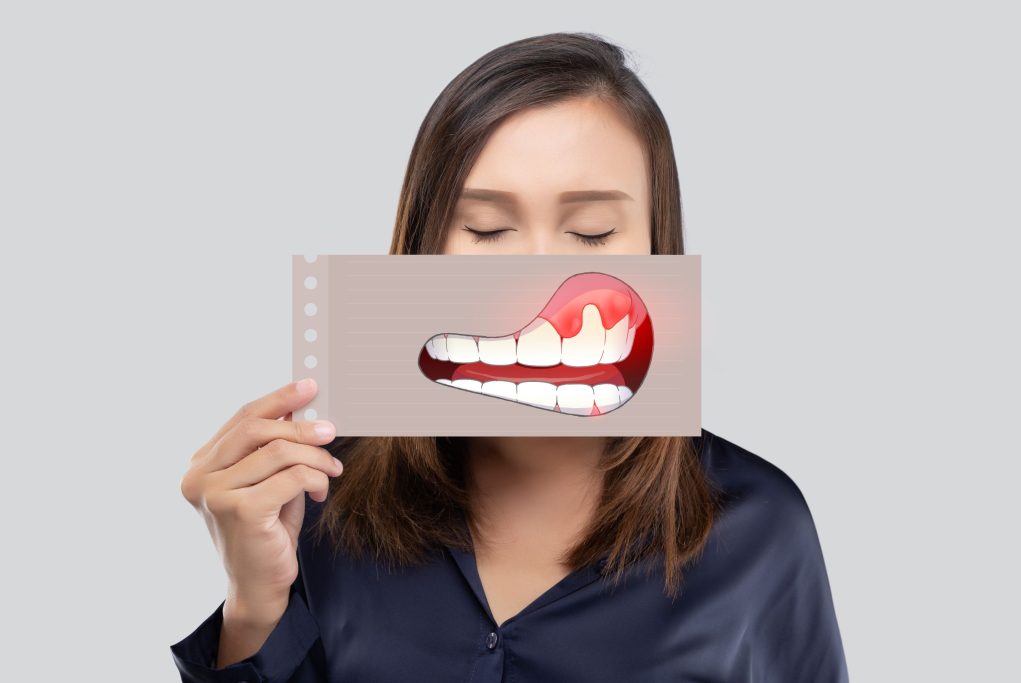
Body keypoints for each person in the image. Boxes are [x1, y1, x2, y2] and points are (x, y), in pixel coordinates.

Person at [171, 32, 849, 682]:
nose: (538, 275)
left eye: (592, 232)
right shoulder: (323, 507)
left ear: (658, 250)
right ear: (423, 250)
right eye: (487, 229)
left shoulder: (762, 528)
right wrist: (254, 608)